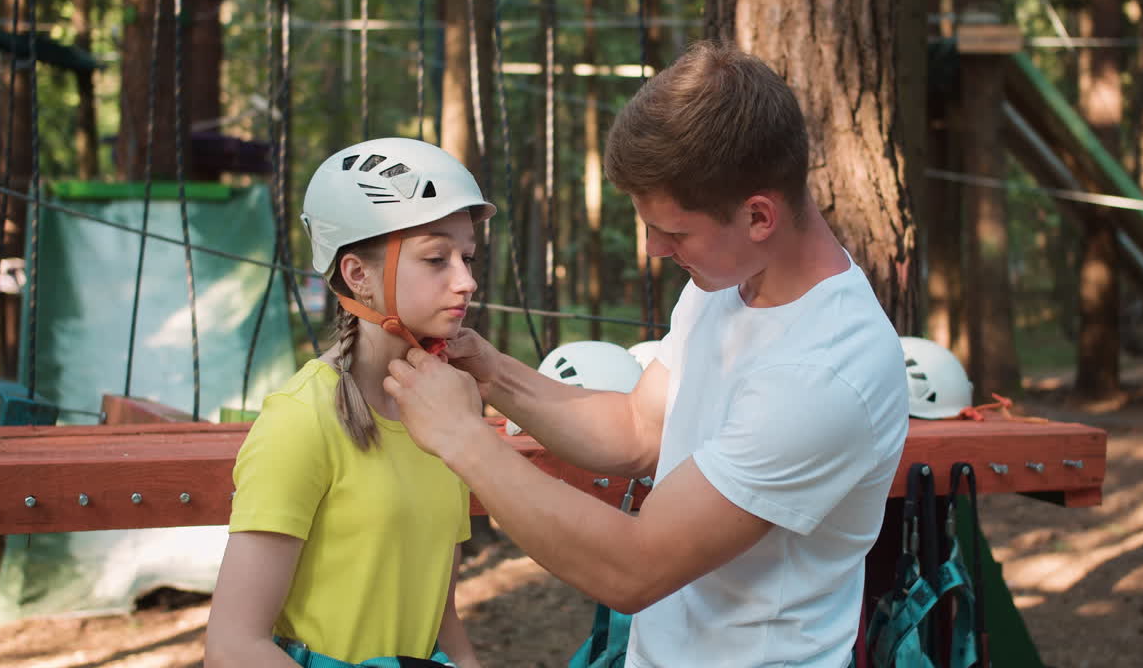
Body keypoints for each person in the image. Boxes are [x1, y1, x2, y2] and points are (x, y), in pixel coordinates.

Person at [384, 40, 909, 667]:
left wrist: (462, 439)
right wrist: (492, 371)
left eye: (674, 230)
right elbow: (639, 430)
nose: (655, 248)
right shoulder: (726, 285)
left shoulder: (824, 373)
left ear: (759, 215)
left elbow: (633, 569)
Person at [205, 138, 494, 668]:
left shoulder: (449, 413)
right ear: (358, 275)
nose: (466, 280)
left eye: (467, 257)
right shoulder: (300, 420)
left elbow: (440, 613)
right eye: (436, 258)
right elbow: (232, 647)